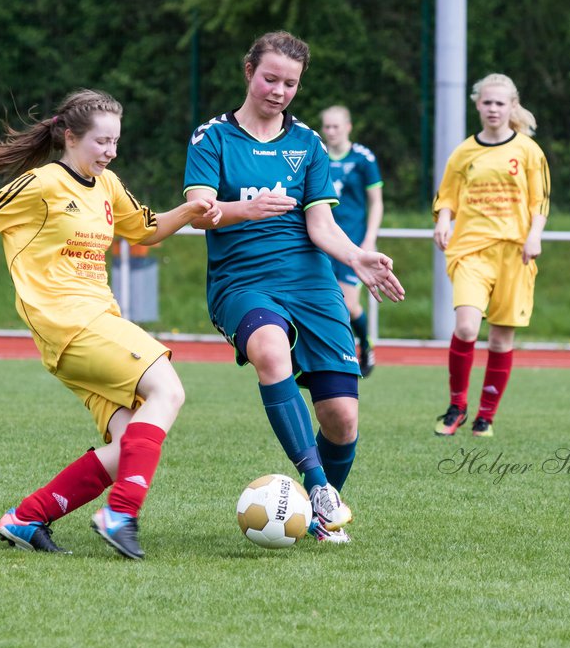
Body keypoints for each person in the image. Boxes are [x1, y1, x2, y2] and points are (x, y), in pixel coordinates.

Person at [0, 89, 219, 559]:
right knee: (169, 390)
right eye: (102, 142)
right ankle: (121, 513)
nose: (110, 151)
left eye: (116, 142)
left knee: (128, 444)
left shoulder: (108, 185)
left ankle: (27, 517)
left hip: (95, 322)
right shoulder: (41, 184)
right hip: (68, 323)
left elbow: (146, 230)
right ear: (70, 137)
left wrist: (189, 212)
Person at [184, 31, 405, 545]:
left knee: (342, 417)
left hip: (310, 281)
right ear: (248, 72)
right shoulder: (211, 138)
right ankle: (321, 489)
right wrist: (243, 209)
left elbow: (321, 225)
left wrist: (357, 257)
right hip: (242, 281)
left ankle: (318, 516)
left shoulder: (307, 144)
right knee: (269, 349)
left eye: (291, 83)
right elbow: (199, 211)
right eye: (271, 79)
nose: (279, 91)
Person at [431, 73, 550, 438]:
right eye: (487, 102)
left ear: (512, 106)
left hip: (515, 253)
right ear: (477, 105)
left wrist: (534, 236)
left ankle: (486, 415)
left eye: (501, 103)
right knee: (466, 326)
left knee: (500, 339)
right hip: (470, 250)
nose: (494, 109)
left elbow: (539, 200)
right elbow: (447, 195)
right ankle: (457, 406)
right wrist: (444, 221)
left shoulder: (529, 151)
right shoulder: (464, 152)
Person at [319, 105, 385, 378]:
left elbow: (376, 203)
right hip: (321, 240)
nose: (331, 131)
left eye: (336, 126)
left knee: (347, 304)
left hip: (352, 244)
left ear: (348, 127)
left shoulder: (363, 158)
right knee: (322, 301)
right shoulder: (318, 155)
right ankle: (327, 357)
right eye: (327, 127)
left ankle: (363, 345)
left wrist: (369, 239)